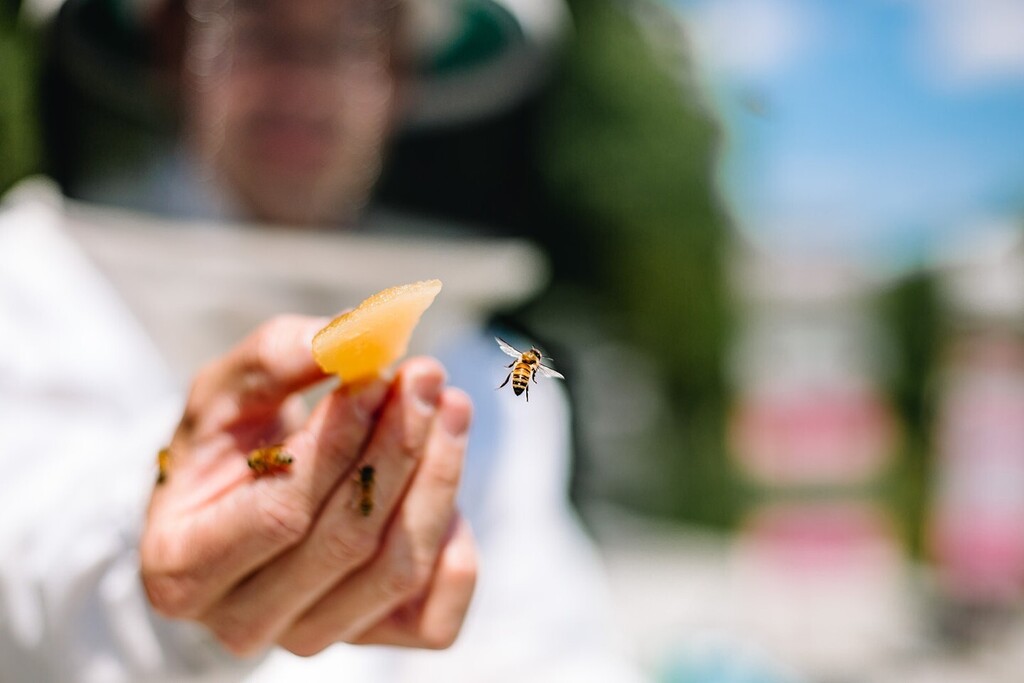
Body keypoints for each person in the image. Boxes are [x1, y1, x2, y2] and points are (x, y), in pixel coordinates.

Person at [1, 0, 645, 681]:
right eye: (250, 23)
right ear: (171, 51)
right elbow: (28, 561)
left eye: (358, 31)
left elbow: (556, 647)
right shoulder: (34, 287)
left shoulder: (483, 377)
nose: (302, 83)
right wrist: (166, 548)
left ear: (403, 73)